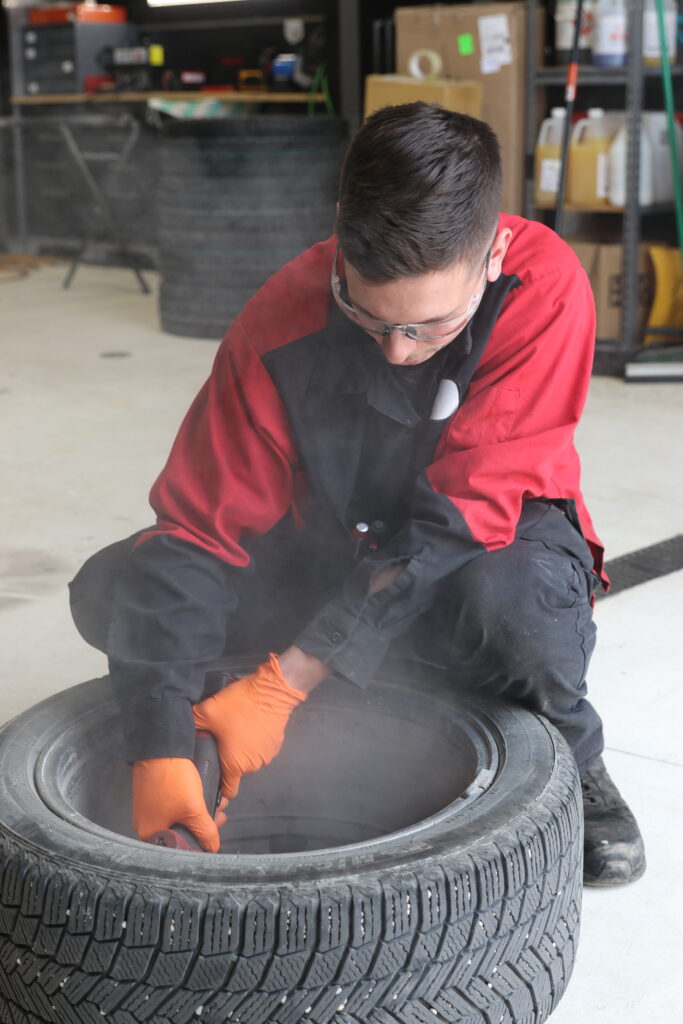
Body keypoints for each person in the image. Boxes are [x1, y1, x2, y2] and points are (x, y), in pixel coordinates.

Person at [71, 102, 644, 885]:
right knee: (114, 592)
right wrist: (160, 744)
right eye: (366, 317)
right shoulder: (278, 318)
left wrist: (285, 683)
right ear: (341, 231)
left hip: (481, 547)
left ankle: (575, 756)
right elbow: (196, 532)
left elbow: (460, 518)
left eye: (430, 328)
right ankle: (224, 721)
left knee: (512, 608)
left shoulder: (540, 286)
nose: (399, 352)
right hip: (332, 543)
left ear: (489, 255)